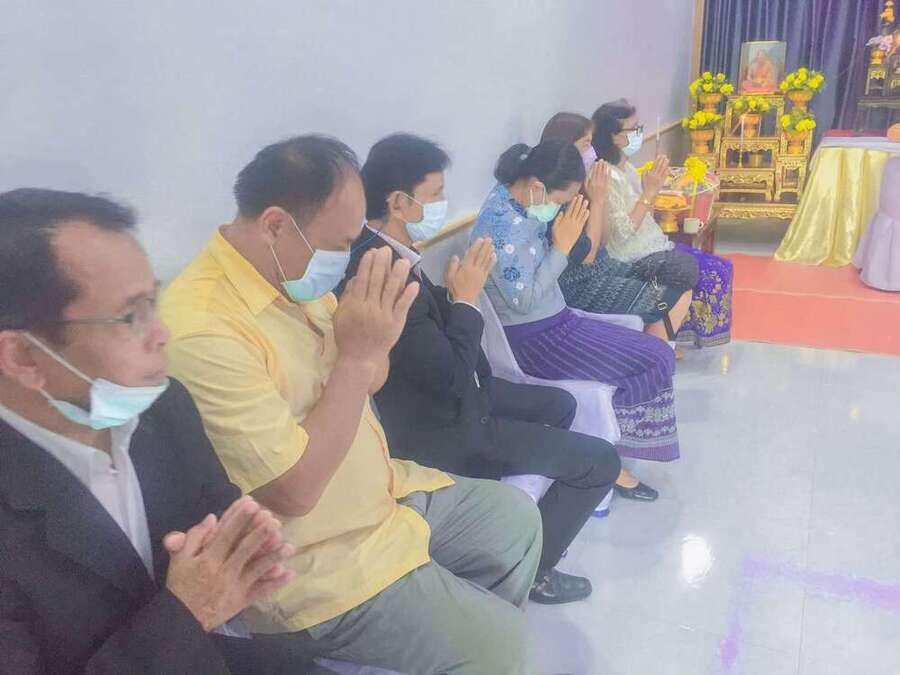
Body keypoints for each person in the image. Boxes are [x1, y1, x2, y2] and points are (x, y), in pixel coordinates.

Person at [161, 135, 543, 674]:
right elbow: (294, 490)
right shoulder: (202, 328)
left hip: (383, 489)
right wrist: (360, 357)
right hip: (319, 556)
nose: (348, 256)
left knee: (516, 521)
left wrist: (372, 344)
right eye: (340, 243)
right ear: (275, 225)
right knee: (507, 647)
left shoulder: (292, 273)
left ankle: (449, 629)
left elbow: (370, 376)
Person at [0, 189, 301, 674]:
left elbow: (218, 504)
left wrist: (246, 553)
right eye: (131, 316)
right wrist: (189, 613)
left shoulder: (164, 405)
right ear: (24, 357)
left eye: (153, 303)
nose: (162, 334)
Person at [343, 132, 623, 604]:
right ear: (399, 203)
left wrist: (455, 297)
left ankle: (510, 514)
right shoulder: (381, 272)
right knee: (601, 462)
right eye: (435, 194)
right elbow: (450, 374)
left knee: (561, 404)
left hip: (463, 392)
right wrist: (466, 301)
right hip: (442, 427)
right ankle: (532, 571)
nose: (442, 203)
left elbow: (437, 347)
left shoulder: (394, 251)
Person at [471, 139, 680, 501]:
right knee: (655, 357)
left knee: (657, 353)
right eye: (561, 201)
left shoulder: (516, 196)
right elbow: (524, 301)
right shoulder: (501, 228)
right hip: (535, 340)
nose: (560, 209)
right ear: (538, 187)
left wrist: (567, 240)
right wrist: (562, 247)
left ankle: (608, 444)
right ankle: (608, 459)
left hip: (559, 320)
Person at [592, 99, 734, 348]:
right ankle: (660, 341)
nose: (639, 134)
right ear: (613, 137)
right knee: (706, 272)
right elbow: (622, 233)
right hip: (630, 256)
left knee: (719, 266)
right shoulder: (607, 175)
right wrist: (649, 193)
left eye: (640, 127)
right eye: (634, 129)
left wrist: (653, 190)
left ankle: (670, 337)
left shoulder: (626, 168)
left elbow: (644, 213)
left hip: (651, 244)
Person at [540, 112, 692, 344]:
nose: (592, 152)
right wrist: (598, 200)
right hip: (581, 282)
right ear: (566, 148)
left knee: (676, 286)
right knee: (672, 298)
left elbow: (602, 241)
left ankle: (656, 350)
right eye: (586, 144)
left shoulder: (585, 183)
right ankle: (655, 353)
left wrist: (598, 197)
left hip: (606, 265)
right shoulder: (559, 194)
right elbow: (588, 257)